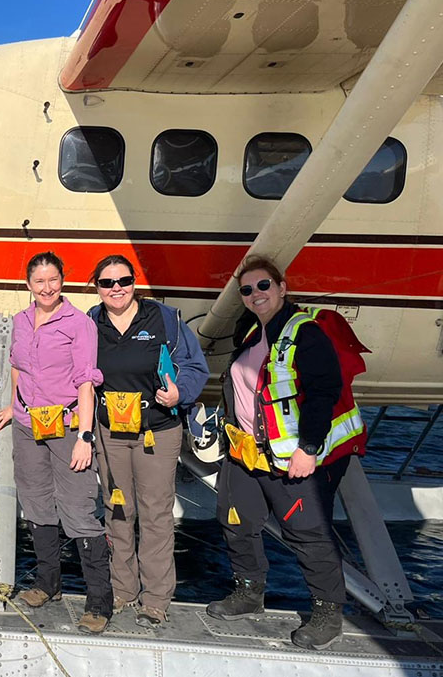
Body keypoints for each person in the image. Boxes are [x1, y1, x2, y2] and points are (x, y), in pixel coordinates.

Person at [207, 255, 367, 651]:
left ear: (282, 288)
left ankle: (329, 614)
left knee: (308, 534)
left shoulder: (304, 333)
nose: (255, 294)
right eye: (247, 289)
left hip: (290, 458)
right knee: (235, 520)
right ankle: (248, 593)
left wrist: (308, 450)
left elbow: (323, 394)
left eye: (263, 286)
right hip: (246, 453)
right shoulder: (251, 330)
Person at [0, 251, 113, 634]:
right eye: (39, 281)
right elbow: (17, 365)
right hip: (28, 425)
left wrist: (85, 438)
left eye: (53, 280)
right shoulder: (23, 321)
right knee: (37, 504)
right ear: (29, 285)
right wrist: (14, 406)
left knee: (77, 509)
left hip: (67, 424)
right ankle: (48, 584)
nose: (47, 288)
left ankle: (99, 601)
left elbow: (86, 382)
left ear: (63, 281)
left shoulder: (78, 323)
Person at [87, 254, 209, 627]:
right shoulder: (91, 321)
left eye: (122, 281)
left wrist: (179, 394)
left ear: (134, 282)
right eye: (107, 283)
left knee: (155, 514)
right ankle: (123, 589)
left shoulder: (164, 319)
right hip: (111, 432)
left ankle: (155, 598)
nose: (116, 289)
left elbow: (193, 366)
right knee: (117, 510)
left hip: (156, 431)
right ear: (97, 288)